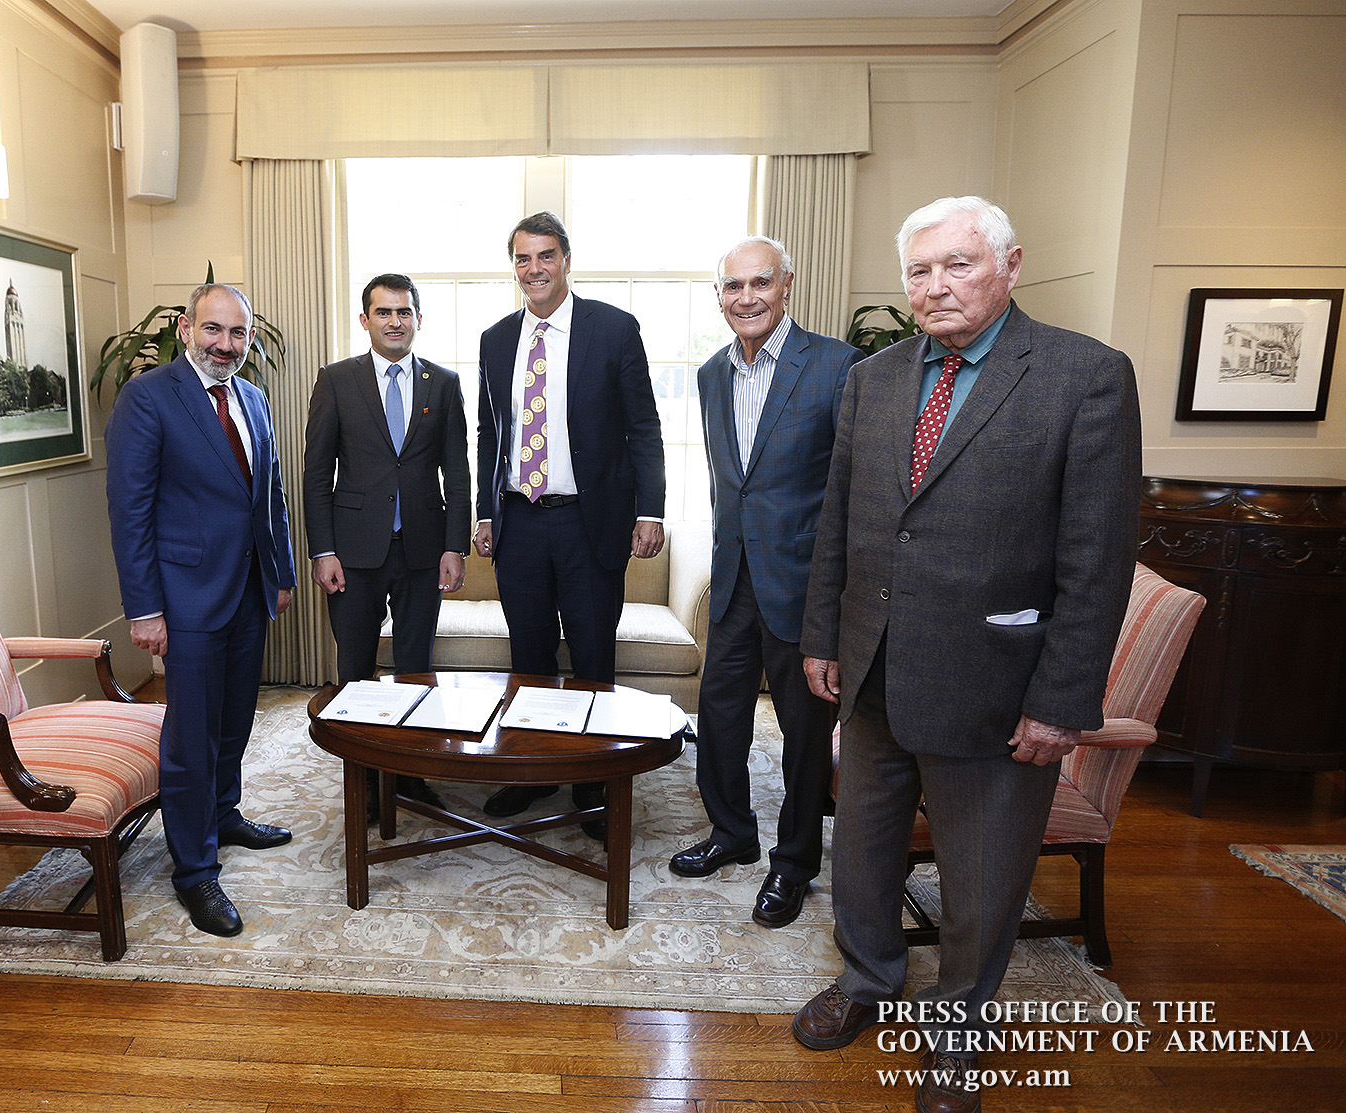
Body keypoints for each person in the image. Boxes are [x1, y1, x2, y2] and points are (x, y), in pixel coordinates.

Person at [789, 197, 1141, 1113]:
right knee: (863, 850)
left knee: (981, 876)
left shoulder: (1085, 376)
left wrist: (1062, 700)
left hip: (995, 686)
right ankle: (868, 976)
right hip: (873, 671)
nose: (935, 286)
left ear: (1010, 265)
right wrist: (823, 635)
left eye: (959, 264)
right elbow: (842, 522)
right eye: (919, 270)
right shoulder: (873, 379)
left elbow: (1097, 559)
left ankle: (958, 1027)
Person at [669, 237, 860, 931]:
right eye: (733, 286)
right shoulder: (710, 374)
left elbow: (851, 488)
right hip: (733, 580)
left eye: (760, 283)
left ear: (788, 285)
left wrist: (838, 594)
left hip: (805, 585)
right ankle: (731, 832)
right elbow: (731, 484)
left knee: (804, 732)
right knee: (719, 715)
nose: (746, 298)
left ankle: (795, 861)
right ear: (719, 296)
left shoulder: (838, 365)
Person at [105, 283, 297, 939]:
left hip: (248, 589)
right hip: (184, 596)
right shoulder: (148, 397)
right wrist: (144, 608)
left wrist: (280, 572)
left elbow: (269, 495)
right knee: (191, 736)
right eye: (213, 329)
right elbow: (130, 511)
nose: (225, 344)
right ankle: (193, 869)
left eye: (237, 333)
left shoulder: (254, 397)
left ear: (249, 339)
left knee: (236, 716)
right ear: (187, 329)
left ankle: (223, 814)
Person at [473, 211, 666, 837]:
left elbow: (643, 426)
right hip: (519, 522)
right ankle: (534, 769)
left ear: (566, 260)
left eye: (545, 256)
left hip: (590, 522)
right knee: (529, 656)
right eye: (523, 258)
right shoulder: (496, 340)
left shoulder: (613, 329)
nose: (534, 269)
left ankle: (594, 785)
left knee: (591, 656)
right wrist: (484, 510)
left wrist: (651, 509)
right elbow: (490, 434)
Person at [303, 273, 469, 822]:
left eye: (404, 312)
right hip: (353, 554)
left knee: (416, 669)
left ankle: (410, 775)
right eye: (383, 312)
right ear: (365, 319)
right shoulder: (336, 380)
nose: (395, 322)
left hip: (423, 551)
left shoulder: (443, 384)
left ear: (418, 319)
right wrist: (322, 550)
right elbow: (316, 473)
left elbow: (457, 472)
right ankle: (365, 782)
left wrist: (455, 545)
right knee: (355, 671)